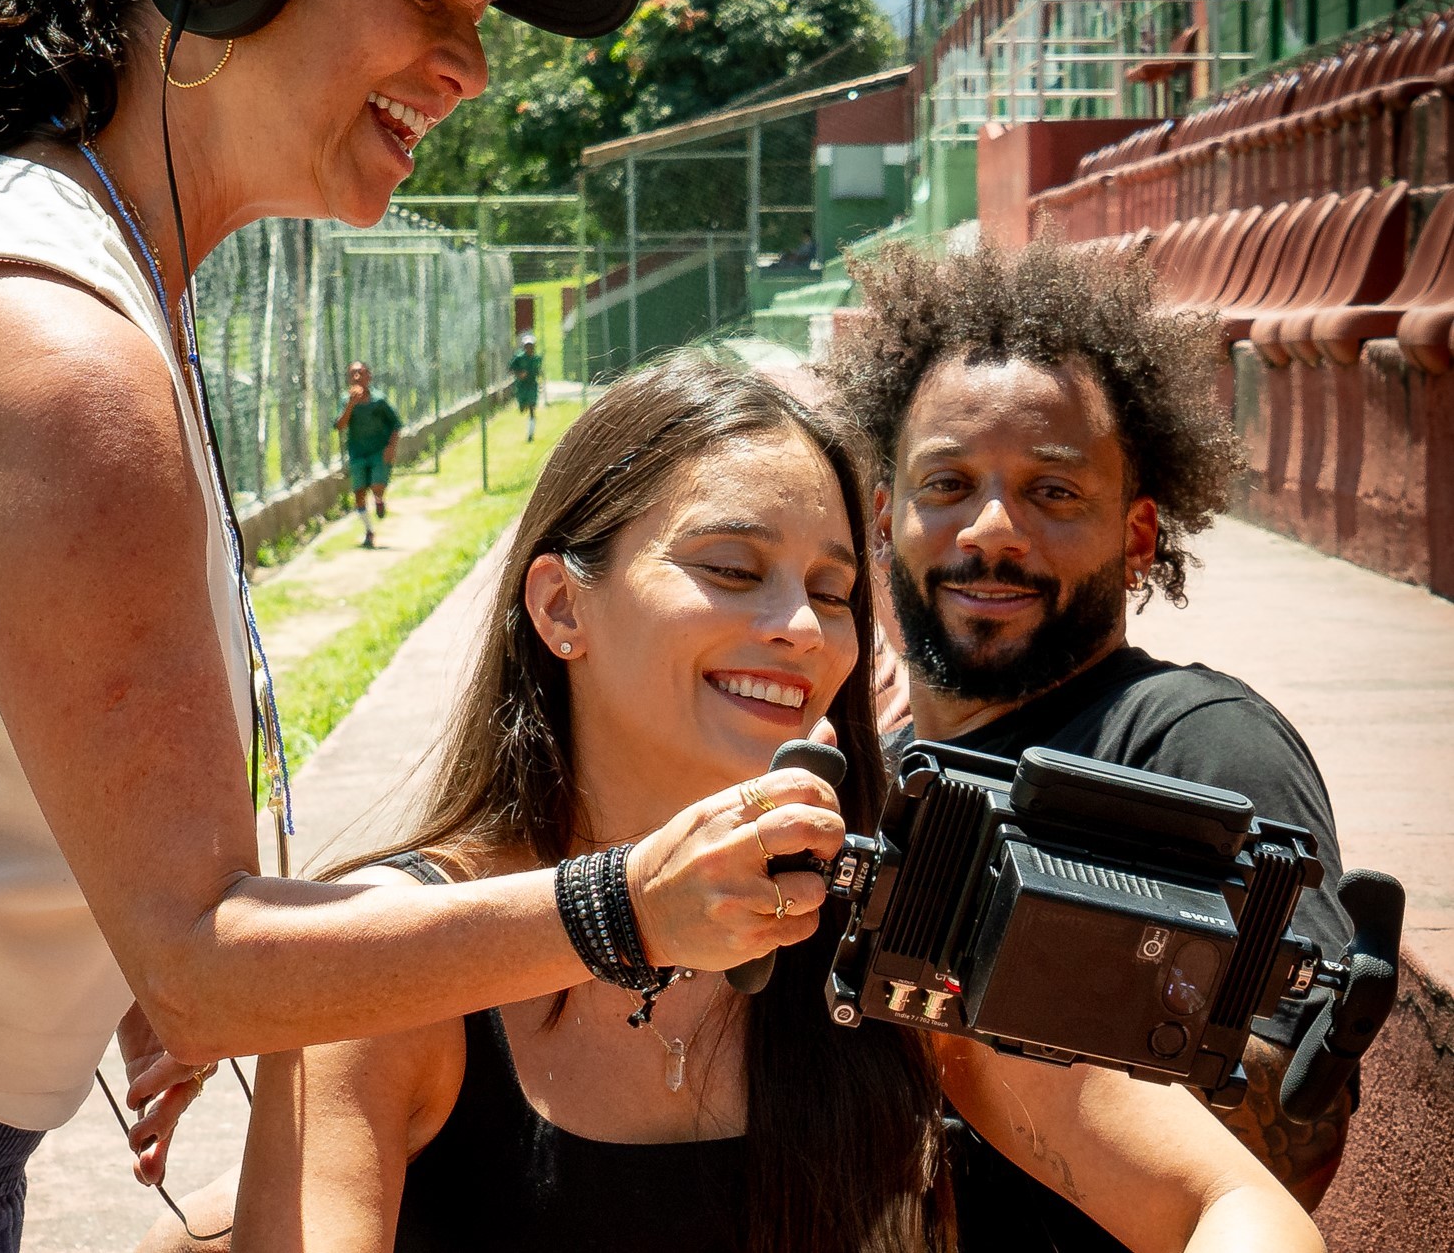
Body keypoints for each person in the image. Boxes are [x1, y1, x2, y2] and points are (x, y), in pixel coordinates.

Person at [0, 0, 839, 1252]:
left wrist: (139, 936)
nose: (469, 65)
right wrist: (621, 908)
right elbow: (201, 958)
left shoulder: (63, 267)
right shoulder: (51, 354)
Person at [143, 355, 1325, 1253]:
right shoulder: (383, 966)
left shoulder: (896, 924)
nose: (800, 630)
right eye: (728, 568)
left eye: (831, 588)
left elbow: (1226, 1200)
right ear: (560, 607)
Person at [824, 239, 1356, 1253]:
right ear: (887, 518)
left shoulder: (1197, 745)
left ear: (1139, 534)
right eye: (946, 484)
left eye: (1053, 492)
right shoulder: (859, 773)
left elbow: (1290, 1125)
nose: (991, 530)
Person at [335, 360, 401, 547]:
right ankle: (369, 531)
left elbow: (396, 424)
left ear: (368, 376)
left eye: (360, 373)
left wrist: (390, 448)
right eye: (353, 374)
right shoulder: (345, 400)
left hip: (378, 451)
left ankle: (379, 499)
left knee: (377, 486)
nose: (357, 377)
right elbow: (340, 425)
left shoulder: (379, 400)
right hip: (358, 453)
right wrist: (350, 405)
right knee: (359, 493)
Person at [509, 328, 544, 440]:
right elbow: (510, 369)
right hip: (521, 387)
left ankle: (530, 433)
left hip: (532, 386)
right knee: (523, 407)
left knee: (532, 407)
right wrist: (519, 374)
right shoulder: (519, 358)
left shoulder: (536, 359)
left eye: (531, 346)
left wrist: (541, 379)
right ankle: (522, 405)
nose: (529, 349)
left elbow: (538, 370)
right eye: (527, 346)